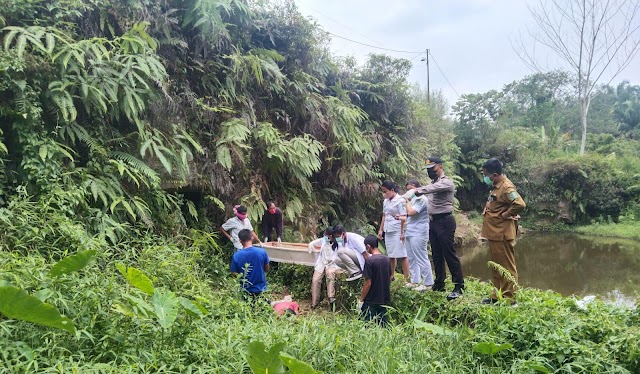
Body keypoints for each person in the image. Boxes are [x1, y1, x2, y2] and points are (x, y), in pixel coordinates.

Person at [404, 156, 464, 301]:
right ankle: (439, 282)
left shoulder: (446, 182)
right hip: (434, 222)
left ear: (440, 166)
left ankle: (458, 286)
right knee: (436, 254)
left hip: (445, 221)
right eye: (428, 170)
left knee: (449, 253)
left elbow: (431, 189)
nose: (430, 172)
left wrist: (416, 191)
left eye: (433, 168)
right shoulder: (433, 182)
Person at [480, 158, 526, 305]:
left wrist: (506, 215)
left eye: (486, 175)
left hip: (502, 234)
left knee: (506, 267)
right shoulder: (496, 186)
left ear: (494, 174)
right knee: (496, 266)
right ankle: (497, 296)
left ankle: (510, 299)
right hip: (494, 233)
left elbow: (520, 204)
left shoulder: (506, 187)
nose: (485, 178)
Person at [400, 179, 434, 292]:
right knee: (411, 257)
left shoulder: (422, 199)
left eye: (410, 189)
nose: (408, 192)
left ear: (415, 188)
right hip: (409, 230)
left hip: (419, 232)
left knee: (421, 256)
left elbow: (411, 212)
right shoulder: (412, 200)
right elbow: (407, 216)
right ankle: (415, 281)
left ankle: (428, 283)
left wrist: (406, 201)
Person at [377, 181, 410, 283]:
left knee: (403, 254)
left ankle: (406, 279)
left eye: (385, 191)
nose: (384, 193)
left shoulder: (400, 201)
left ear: (392, 190)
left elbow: (404, 217)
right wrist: (381, 229)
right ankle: (392, 275)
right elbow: (384, 215)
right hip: (388, 229)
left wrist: (402, 232)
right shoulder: (385, 201)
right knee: (391, 254)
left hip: (397, 230)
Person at [358, 235, 392, 327]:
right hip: (384, 298)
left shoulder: (369, 261)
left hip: (371, 300)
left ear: (368, 246)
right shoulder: (387, 259)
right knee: (383, 325)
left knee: (366, 325)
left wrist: (361, 299)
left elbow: (368, 282)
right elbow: (389, 278)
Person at [307, 228, 342, 309]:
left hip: (332, 264)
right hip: (322, 263)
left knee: (330, 277)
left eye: (326, 236)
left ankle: (331, 299)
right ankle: (314, 303)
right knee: (315, 280)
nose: (324, 237)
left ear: (331, 236)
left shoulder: (339, 242)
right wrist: (311, 249)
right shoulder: (323, 240)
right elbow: (312, 243)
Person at [230, 229, 270, 297]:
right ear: (252, 237)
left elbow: (234, 273)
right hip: (261, 290)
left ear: (240, 240)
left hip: (245, 292)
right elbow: (267, 269)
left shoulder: (236, 256)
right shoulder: (262, 252)